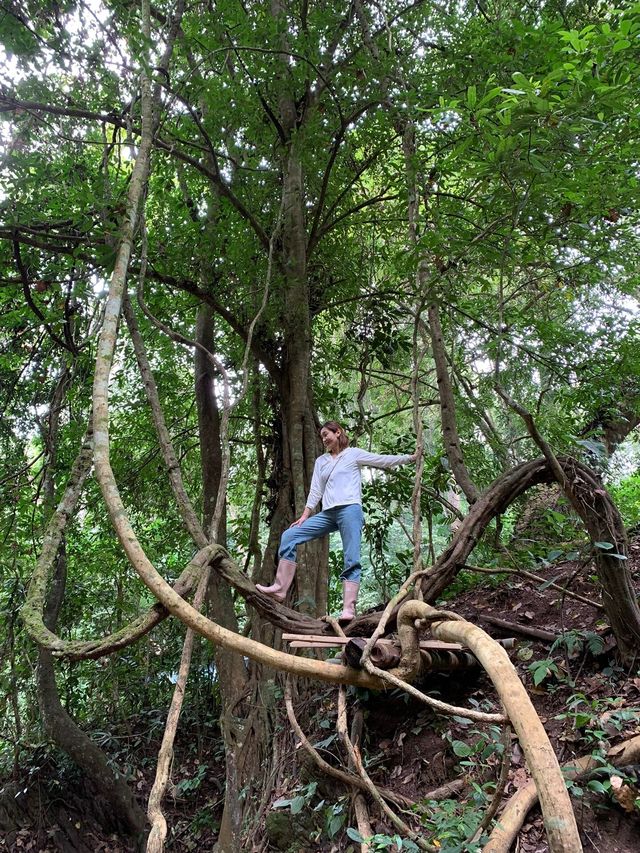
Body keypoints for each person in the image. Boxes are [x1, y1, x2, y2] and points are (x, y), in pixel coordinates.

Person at [256, 421, 417, 620]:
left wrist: (410, 458)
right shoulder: (321, 461)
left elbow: (381, 460)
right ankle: (280, 589)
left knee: (352, 558)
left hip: (350, 509)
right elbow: (316, 490)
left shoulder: (353, 454)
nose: (324, 439)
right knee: (290, 535)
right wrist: (305, 516)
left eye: (326, 434)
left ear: (338, 432)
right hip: (328, 513)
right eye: (322, 436)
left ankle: (349, 609)